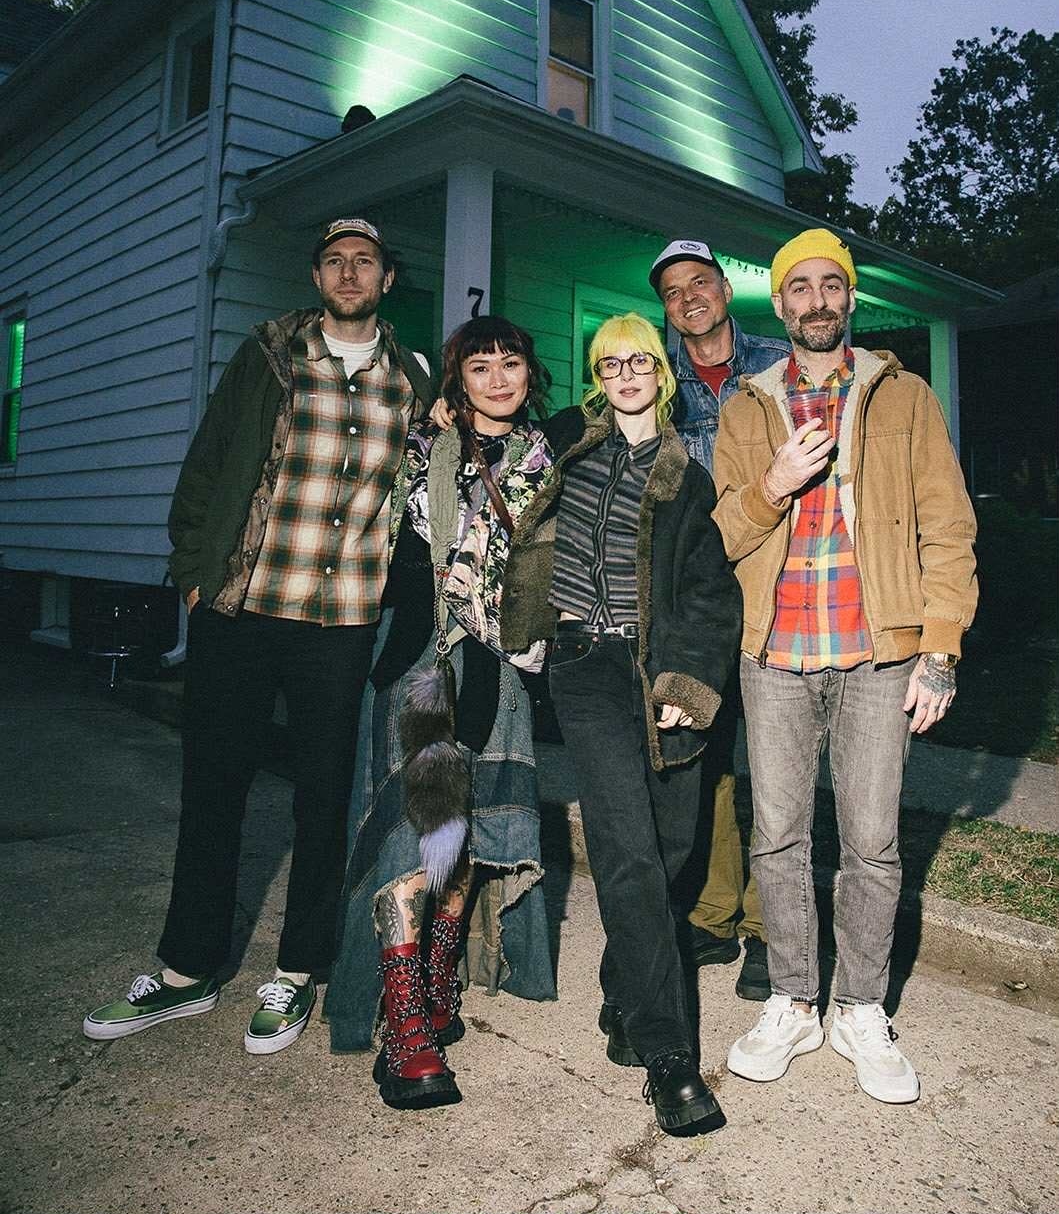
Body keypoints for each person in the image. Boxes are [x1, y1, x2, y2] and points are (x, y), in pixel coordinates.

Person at [83, 219, 434, 1054]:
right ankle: (187, 970)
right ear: (317, 275)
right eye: (335, 261)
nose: (349, 272)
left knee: (323, 800)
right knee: (214, 787)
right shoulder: (269, 355)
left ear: (387, 279)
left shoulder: (413, 378)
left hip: (341, 618)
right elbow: (207, 463)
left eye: (365, 262)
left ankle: (298, 968)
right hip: (242, 605)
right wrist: (192, 573)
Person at [715, 228, 977, 1103]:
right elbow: (721, 532)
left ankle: (860, 1005)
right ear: (779, 303)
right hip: (775, 654)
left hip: (876, 654)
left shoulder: (902, 395)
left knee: (871, 842)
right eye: (800, 287)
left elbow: (948, 525)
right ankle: (793, 999)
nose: (816, 300)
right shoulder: (748, 406)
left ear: (849, 297)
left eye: (831, 284)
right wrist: (772, 485)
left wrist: (939, 649)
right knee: (777, 836)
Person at [499, 313, 742, 1135]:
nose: (627, 373)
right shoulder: (564, 445)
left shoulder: (687, 477)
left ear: (660, 375)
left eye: (641, 360)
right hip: (584, 668)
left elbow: (709, 592)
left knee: (671, 847)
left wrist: (687, 683)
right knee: (626, 848)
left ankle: (624, 995)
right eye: (611, 363)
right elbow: (490, 429)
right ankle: (670, 1057)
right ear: (596, 376)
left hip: (657, 667)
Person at [325, 316, 557, 1109]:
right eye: (479, 365)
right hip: (420, 659)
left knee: (468, 828)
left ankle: (435, 981)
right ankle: (403, 1022)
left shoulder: (545, 457)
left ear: (529, 373)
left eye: (510, 362)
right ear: (457, 378)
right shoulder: (421, 446)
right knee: (414, 826)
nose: (497, 377)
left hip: (498, 663)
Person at [649, 238, 787, 1002]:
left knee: (772, 762)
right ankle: (714, 912)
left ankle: (770, 926)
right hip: (694, 602)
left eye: (698, 282)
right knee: (708, 758)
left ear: (725, 289)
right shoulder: (655, 381)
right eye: (672, 291)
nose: (688, 298)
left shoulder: (776, 367)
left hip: (771, 586)